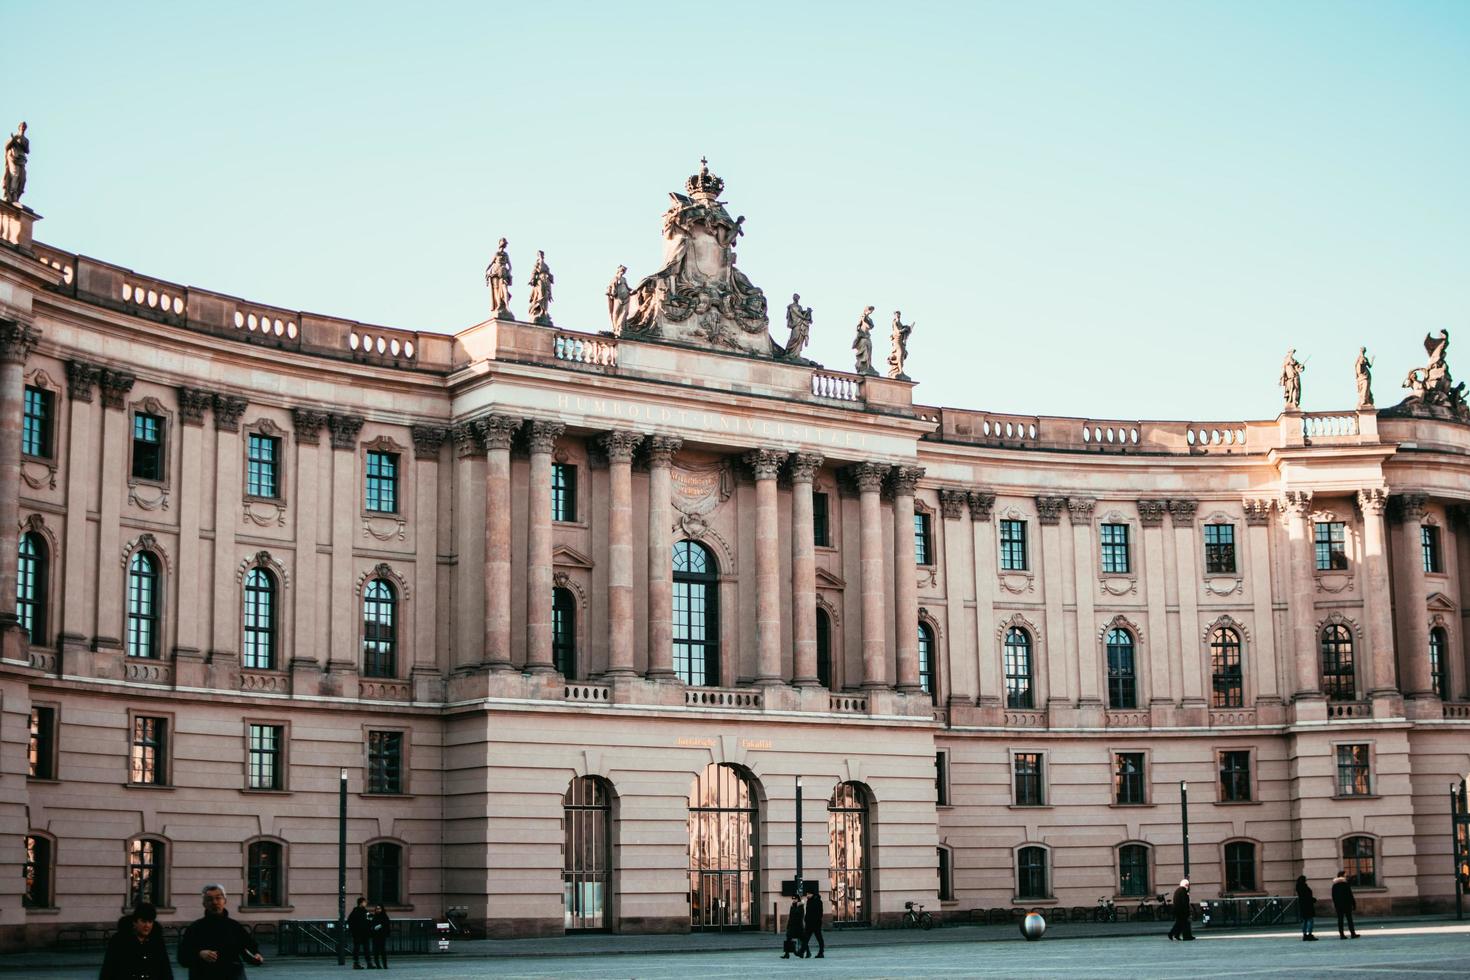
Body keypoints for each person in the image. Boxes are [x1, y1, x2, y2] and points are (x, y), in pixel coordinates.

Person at [178, 884, 264, 979]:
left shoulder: (234, 926)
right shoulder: (195, 928)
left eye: (218, 898)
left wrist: (256, 956)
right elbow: (182, 957)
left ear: (225, 901)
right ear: (204, 904)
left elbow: (248, 949)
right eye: (209, 899)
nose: (214, 902)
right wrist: (200, 954)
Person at [100, 902, 174, 979]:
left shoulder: (157, 941)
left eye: (150, 922)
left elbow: (165, 970)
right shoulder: (119, 941)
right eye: (143, 921)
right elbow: (108, 970)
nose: (147, 925)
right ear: (135, 922)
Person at [1331, 870, 1359, 939]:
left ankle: (1342, 935)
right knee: (1349, 919)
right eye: (1345, 875)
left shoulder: (1334, 885)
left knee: (1340, 920)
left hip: (1339, 905)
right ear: (1343, 876)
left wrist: (1335, 904)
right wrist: (1354, 904)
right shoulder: (1346, 884)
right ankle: (1352, 933)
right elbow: (1350, 895)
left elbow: (1333, 896)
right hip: (1347, 904)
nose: (1346, 876)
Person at [347, 896, 372, 969]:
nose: (366, 903)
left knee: (366, 948)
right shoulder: (356, 911)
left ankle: (368, 963)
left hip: (364, 933)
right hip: (358, 933)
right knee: (357, 948)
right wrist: (354, 930)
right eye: (365, 902)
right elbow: (350, 921)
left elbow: (370, 920)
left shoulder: (365, 911)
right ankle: (357, 963)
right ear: (361, 903)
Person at [800, 888, 825, 958]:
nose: (807, 895)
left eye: (808, 894)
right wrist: (806, 919)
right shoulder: (809, 901)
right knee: (806, 938)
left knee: (819, 938)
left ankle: (821, 952)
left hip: (816, 924)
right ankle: (802, 951)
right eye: (807, 894)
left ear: (812, 894)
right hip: (809, 923)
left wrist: (816, 920)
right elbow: (808, 913)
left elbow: (820, 913)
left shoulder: (818, 901)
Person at [781, 893, 804, 958]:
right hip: (792, 926)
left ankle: (806, 952)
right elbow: (790, 916)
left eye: (795, 899)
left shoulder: (800, 906)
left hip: (798, 926)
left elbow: (800, 916)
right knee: (788, 938)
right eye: (793, 899)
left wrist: (797, 906)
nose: (794, 900)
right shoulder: (792, 906)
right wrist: (788, 925)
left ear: (798, 899)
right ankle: (787, 953)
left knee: (802, 940)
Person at [1295, 874, 1318, 941]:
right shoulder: (1304, 887)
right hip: (1308, 905)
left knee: (1305, 921)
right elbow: (1307, 897)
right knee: (1310, 920)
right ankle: (1310, 934)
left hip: (1302, 905)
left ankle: (1305, 934)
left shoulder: (1299, 887)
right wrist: (1313, 899)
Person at [369, 904, 392, 968]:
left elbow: (386, 925)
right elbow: (371, 925)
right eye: (377, 909)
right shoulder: (374, 917)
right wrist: (374, 928)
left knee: (383, 951)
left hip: (382, 936)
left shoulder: (384, 916)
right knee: (376, 951)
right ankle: (378, 965)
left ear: (382, 909)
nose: (378, 910)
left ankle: (385, 965)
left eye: (379, 908)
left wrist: (381, 926)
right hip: (375, 936)